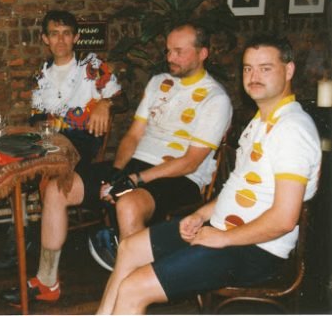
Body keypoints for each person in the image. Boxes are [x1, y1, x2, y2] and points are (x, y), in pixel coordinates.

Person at [97, 35, 321, 314]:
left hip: (257, 250)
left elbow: (284, 220)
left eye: (265, 68)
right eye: (248, 68)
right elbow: (237, 188)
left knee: (134, 287)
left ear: (288, 70)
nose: (254, 77)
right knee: (129, 248)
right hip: (222, 230)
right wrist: (200, 215)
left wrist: (223, 238)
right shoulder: (260, 122)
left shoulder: (292, 130)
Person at [87, 23, 233, 272]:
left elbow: (191, 162)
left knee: (128, 203)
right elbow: (133, 135)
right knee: (62, 187)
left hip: (181, 176)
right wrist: (117, 171)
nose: (170, 58)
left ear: (202, 54)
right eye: (168, 51)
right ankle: (48, 280)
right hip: (138, 165)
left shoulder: (216, 99)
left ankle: (131, 280)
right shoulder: (158, 82)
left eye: (179, 52)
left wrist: (134, 180)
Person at [2, 10, 121, 304]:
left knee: (47, 182)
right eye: (54, 34)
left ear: (76, 37)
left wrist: (105, 103)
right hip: (50, 141)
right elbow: (36, 117)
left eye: (67, 33)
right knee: (7, 161)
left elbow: (124, 98)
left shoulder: (91, 67)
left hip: (82, 142)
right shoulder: (41, 74)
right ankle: (19, 242)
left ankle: (44, 271)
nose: (61, 40)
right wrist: (38, 127)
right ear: (45, 39)